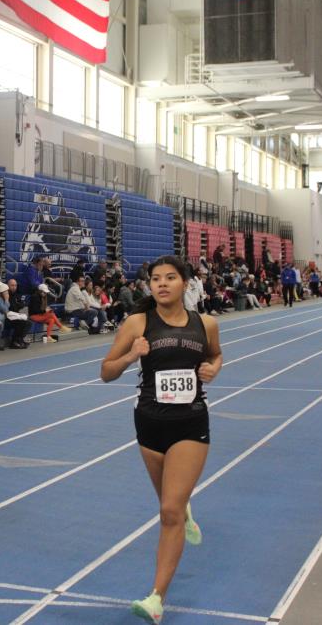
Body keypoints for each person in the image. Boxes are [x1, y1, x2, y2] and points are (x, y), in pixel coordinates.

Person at [99, 255, 223, 624]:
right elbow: (106, 371)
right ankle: (183, 506)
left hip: (190, 424)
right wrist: (130, 356)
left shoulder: (206, 324)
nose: (162, 284)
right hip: (150, 424)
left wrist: (213, 369)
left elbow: (216, 355)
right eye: (156, 279)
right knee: (172, 504)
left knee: (168, 512)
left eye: (170, 278)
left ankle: (156, 599)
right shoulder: (138, 323)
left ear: (185, 283)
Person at [5, 278, 30, 349]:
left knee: (29, 322)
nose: (14, 287)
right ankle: (13, 342)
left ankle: (20, 340)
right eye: (12, 285)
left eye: (15, 285)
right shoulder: (6, 294)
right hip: (7, 317)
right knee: (22, 323)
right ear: (8, 285)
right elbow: (10, 307)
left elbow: (17, 306)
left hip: (14, 316)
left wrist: (21, 305)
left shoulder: (16, 295)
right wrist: (18, 306)